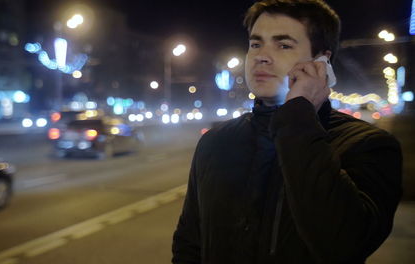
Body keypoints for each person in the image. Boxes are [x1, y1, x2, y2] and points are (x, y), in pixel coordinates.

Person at [171, 0, 403, 263]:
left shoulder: (367, 145)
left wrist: (297, 115)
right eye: (256, 44)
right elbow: (189, 245)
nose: (261, 56)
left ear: (322, 62)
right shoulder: (215, 142)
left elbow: (343, 246)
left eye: (283, 45)